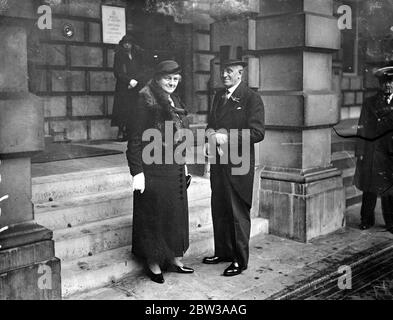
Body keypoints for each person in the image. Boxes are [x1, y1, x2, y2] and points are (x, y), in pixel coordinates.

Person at [126, 60, 194, 284]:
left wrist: (183, 165)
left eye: (175, 79)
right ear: (157, 78)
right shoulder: (145, 99)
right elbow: (135, 139)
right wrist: (137, 172)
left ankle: (174, 258)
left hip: (173, 168)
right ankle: (153, 263)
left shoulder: (175, 100)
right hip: (153, 168)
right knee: (154, 217)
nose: (172, 83)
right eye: (168, 78)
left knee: (175, 215)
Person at [202, 59, 265, 276]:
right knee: (219, 207)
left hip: (238, 164)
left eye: (229, 71)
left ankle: (239, 260)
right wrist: (210, 137)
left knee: (237, 212)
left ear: (240, 74)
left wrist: (225, 137)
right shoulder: (219, 96)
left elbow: (257, 133)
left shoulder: (251, 98)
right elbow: (210, 125)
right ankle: (223, 252)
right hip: (219, 162)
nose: (225, 75)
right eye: (223, 71)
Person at [354, 61, 393, 233]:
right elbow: (362, 127)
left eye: (391, 82)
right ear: (380, 84)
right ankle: (366, 219)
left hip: (390, 153)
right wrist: (360, 151)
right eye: (385, 82)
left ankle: (391, 222)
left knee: (389, 190)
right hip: (372, 150)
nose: (388, 85)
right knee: (369, 187)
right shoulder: (369, 103)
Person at [111, 34, 143, 141]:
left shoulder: (137, 54)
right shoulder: (119, 55)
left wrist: (135, 81)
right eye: (125, 43)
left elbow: (141, 70)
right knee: (122, 109)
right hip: (123, 87)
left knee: (134, 109)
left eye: (129, 43)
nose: (127, 45)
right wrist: (128, 81)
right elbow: (117, 72)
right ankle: (121, 131)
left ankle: (132, 132)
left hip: (135, 87)